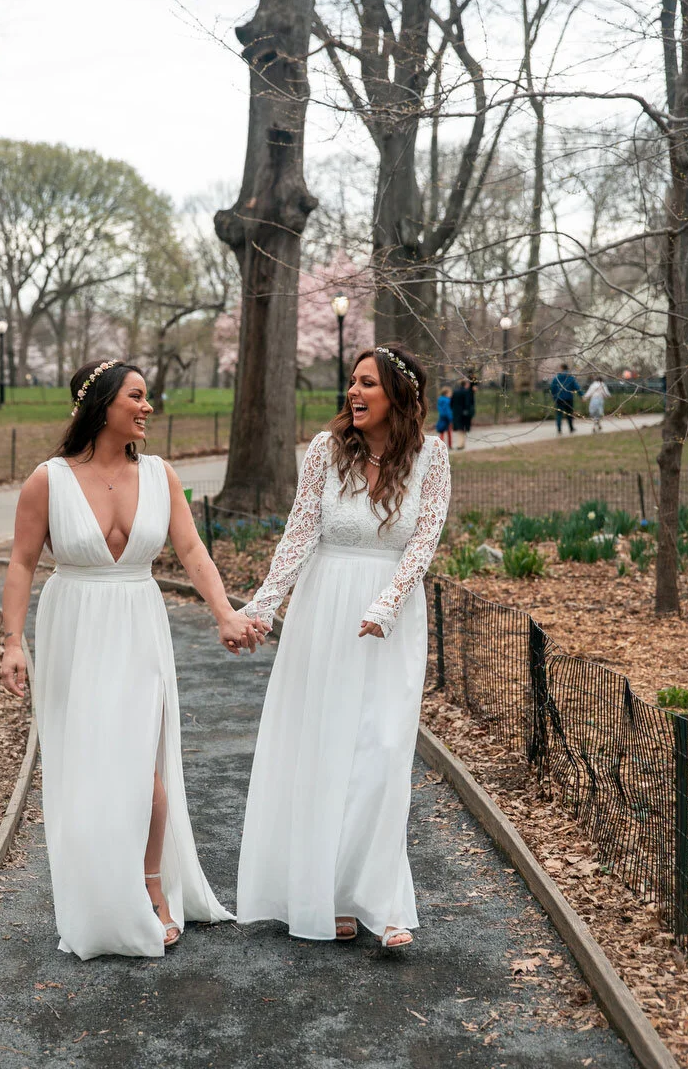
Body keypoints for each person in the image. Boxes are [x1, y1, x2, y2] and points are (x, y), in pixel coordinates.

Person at [0, 358, 265, 959]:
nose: (149, 407)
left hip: (139, 627)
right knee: (91, 765)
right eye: (138, 397)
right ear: (103, 405)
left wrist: (224, 611)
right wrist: (12, 642)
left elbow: (192, 549)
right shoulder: (49, 480)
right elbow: (19, 562)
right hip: (75, 628)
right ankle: (99, 894)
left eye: (149, 398)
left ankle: (149, 886)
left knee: (146, 769)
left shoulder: (162, 475)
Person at [236, 345, 451, 949]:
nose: (353, 394)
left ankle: (379, 898)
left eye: (367, 385)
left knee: (383, 749)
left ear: (399, 397)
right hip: (324, 609)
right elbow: (298, 535)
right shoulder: (325, 453)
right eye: (351, 382)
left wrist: (388, 602)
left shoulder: (431, 458)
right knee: (326, 744)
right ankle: (325, 893)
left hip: (391, 618)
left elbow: (424, 541)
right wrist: (263, 607)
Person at [550, 364, 582, 434]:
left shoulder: (557, 378)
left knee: (559, 414)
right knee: (569, 414)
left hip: (559, 399)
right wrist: (581, 395)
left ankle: (559, 429)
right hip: (569, 398)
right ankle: (571, 428)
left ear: (561, 368)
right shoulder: (570, 377)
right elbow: (577, 387)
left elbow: (552, 388)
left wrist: (554, 397)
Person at [450, 378, 475, 450]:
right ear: (466, 384)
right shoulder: (466, 392)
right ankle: (460, 444)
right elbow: (468, 403)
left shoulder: (455, 392)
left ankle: (461, 443)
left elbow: (451, 403)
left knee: (460, 429)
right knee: (462, 429)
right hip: (464, 413)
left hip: (456, 413)